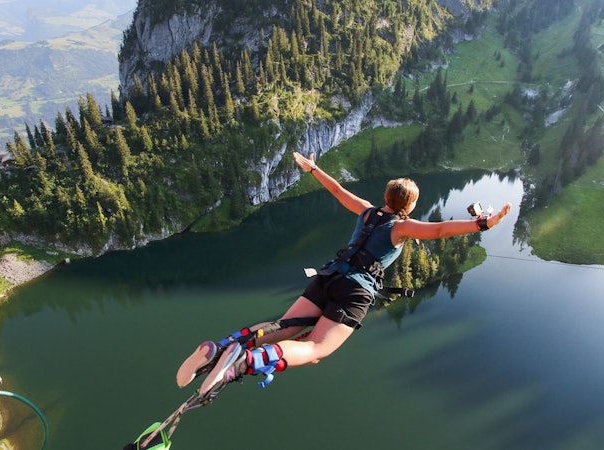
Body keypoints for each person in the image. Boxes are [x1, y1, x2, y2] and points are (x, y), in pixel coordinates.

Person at [177, 151, 512, 395]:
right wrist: (481, 223)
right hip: (354, 291)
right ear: (408, 205)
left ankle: (222, 349)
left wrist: (314, 169)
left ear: (385, 196)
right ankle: (239, 365)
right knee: (315, 349)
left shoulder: (366, 213)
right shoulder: (403, 226)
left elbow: (337, 190)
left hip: (327, 276)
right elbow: (439, 230)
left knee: (284, 326)